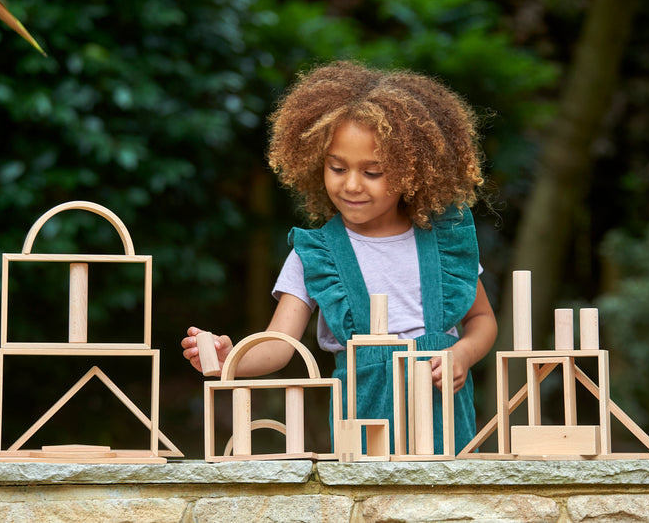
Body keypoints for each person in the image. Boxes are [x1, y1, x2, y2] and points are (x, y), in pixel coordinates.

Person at [181, 60, 497, 454]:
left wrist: (462, 354)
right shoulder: (315, 254)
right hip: (362, 433)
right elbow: (279, 346)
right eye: (337, 167)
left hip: (445, 423)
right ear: (318, 163)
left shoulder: (442, 242)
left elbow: (481, 319)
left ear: (413, 172)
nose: (351, 184)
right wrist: (231, 357)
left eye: (373, 172)